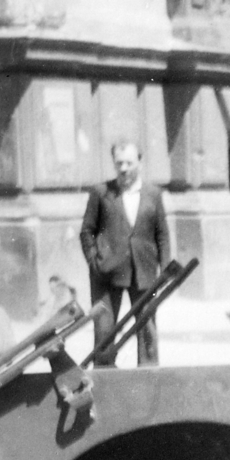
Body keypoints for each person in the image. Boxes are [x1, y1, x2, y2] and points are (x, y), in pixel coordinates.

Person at [80, 140, 169, 366]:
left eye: (129, 162)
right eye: (119, 163)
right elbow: (87, 231)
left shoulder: (153, 194)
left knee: (147, 327)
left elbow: (162, 234)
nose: (124, 168)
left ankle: (148, 376)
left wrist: (165, 267)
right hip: (107, 272)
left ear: (139, 162)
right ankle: (105, 376)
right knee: (104, 330)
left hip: (144, 270)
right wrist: (94, 262)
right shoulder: (101, 193)